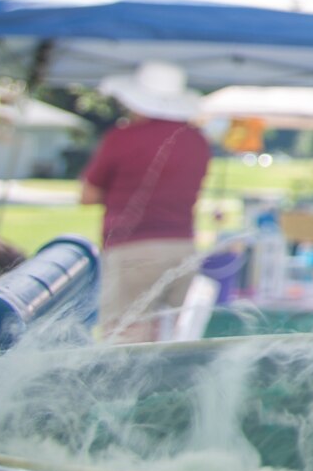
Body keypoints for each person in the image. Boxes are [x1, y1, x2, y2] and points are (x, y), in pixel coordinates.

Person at [80, 61, 213, 342]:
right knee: (173, 339)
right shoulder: (198, 140)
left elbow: (88, 195)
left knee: (125, 340)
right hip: (182, 246)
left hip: (134, 246)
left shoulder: (123, 137)